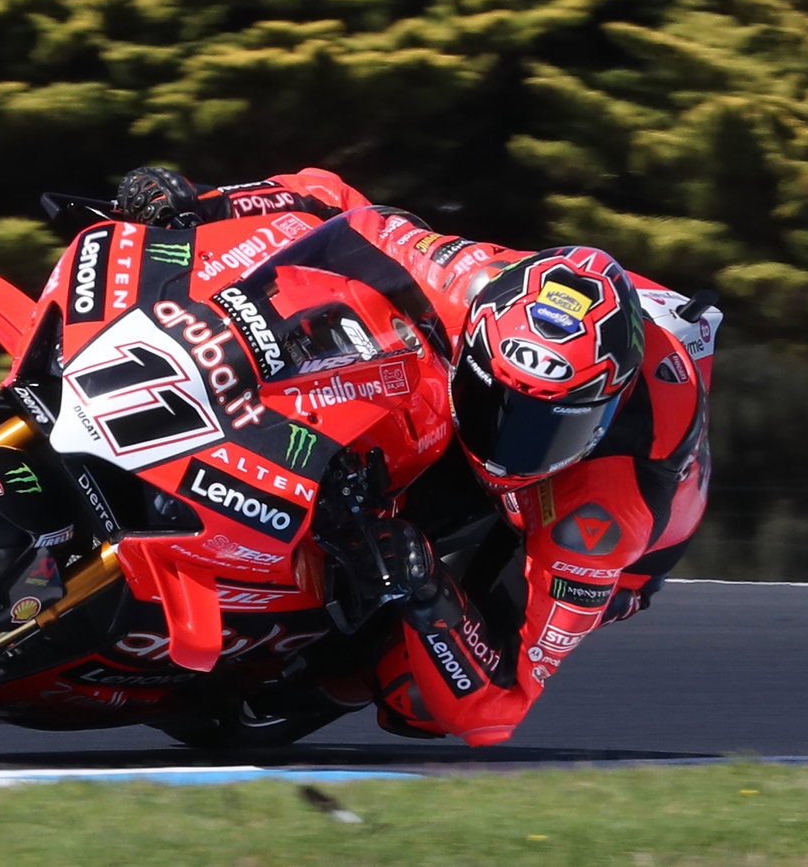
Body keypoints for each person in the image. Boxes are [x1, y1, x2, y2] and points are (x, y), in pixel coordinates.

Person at [114, 166, 719, 747]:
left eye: (546, 429)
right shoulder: (467, 281)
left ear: (602, 411)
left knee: (419, 701)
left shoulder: (607, 514)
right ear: (479, 339)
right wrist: (202, 201)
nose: (511, 446)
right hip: (482, 383)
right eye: (497, 403)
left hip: (591, 506)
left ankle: (319, 679)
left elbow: (500, 707)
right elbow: (325, 199)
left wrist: (426, 589)